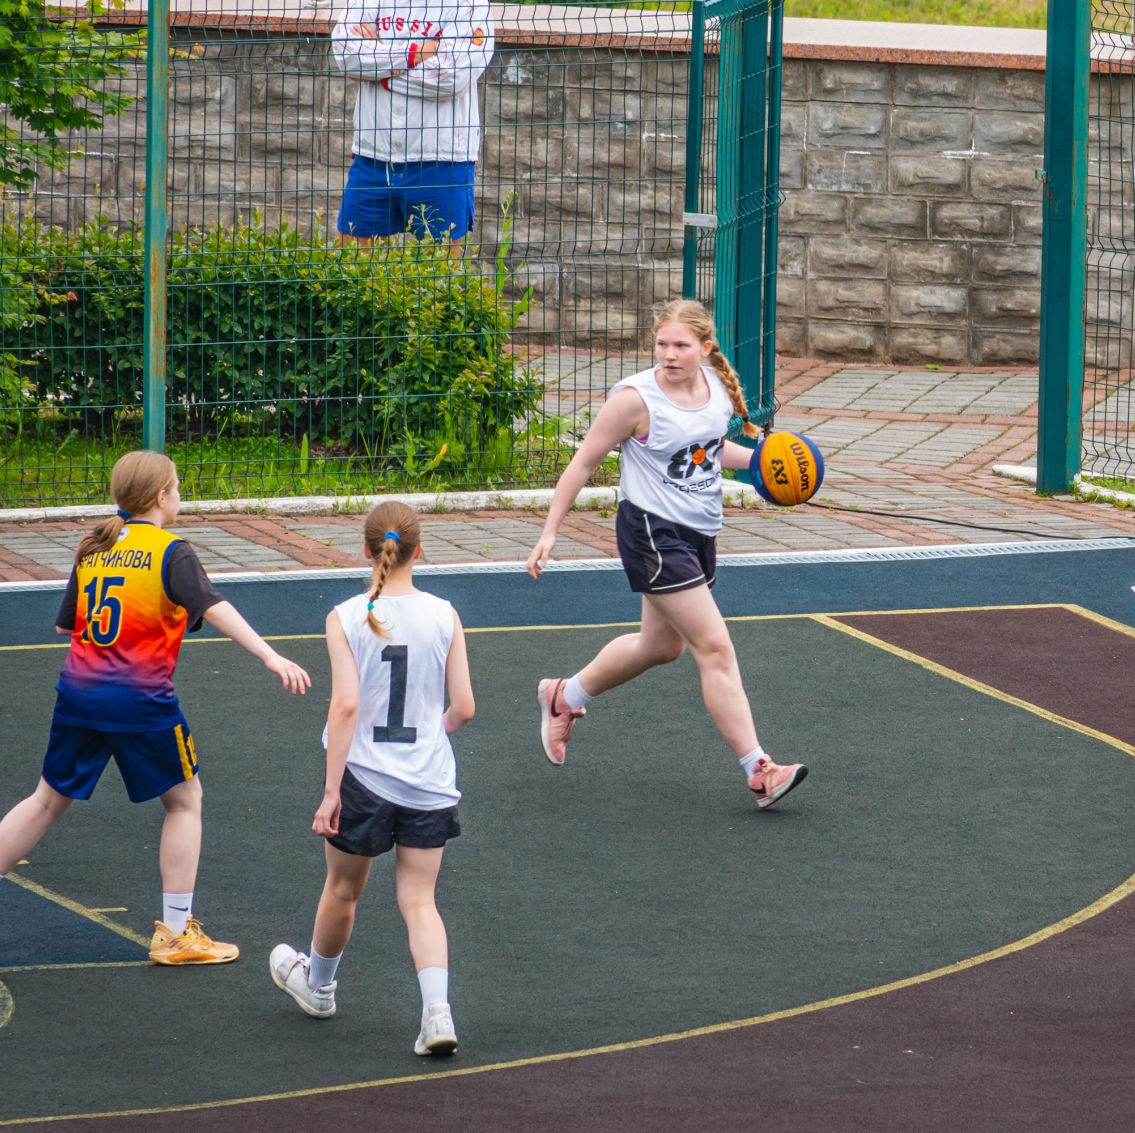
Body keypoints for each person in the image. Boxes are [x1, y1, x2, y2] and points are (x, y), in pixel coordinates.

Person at [0, 450, 311, 964]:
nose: (180, 496)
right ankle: (174, 932)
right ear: (161, 496)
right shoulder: (171, 551)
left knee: (45, 800)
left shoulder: (94, 544)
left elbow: (67, 625)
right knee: (185, 801)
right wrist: (270, 655)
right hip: (139, 699)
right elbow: (213, 605)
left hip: (79, 693)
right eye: (178, 487)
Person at [525, 299, 807, 810]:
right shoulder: (635, 401)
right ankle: (760, 770)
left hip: (699, 532)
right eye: (662, 344)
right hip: (652, 533)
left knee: (660, 646)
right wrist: (550, 532)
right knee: (715, 648)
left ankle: (564, 697)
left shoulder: (715, 389)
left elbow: (708, 451)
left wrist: (768, 468)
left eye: (680, 345)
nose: (669, 354)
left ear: (705, 347)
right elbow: (582, 463)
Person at [269, 500, 475, 1056]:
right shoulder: (445, 614)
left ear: (366, 550)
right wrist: (433, 733)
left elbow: (345, 707)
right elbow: (464, 707)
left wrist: (331, 792)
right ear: (419, 550)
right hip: (429, 780)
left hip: (364, 777)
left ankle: (318, 987)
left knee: (343, 889)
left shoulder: (345, 616)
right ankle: (437, 1014)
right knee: (420, 901)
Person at [329, 1, 494, 243]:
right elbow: (345, 53)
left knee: (441, 266)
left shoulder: (470, 4)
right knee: (349, 263)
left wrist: (380, 68)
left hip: (441, 159)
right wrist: (416, 53)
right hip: (373, 156)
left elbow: (452, 77)